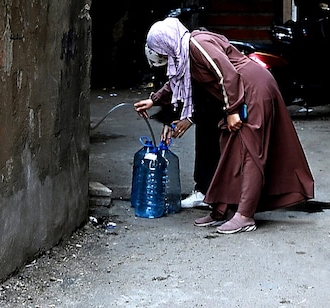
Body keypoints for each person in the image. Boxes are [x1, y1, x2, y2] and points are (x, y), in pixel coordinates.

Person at [134, 17, 315, 234]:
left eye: (162, 52)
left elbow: (226, 74)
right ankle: (224, 208)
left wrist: (232, 111)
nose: (163, 57)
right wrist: (154, 99)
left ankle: (245, 215)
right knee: (229, 149)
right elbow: (178, 81)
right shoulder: (183, 55)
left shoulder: (196, 44)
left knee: (250, 152)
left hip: (253, 89)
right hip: (242, 91)